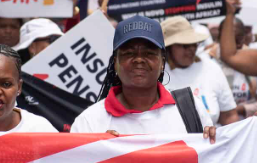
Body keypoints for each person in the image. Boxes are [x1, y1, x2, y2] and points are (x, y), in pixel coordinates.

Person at [71, 15, 216, 141]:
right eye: (128, 53)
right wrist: (98, 152)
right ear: (115, 63)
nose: (139, 60)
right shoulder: (89, 123)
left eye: (149, 53)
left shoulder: (190, 109)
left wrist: (213, 142)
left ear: (162, 63)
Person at [161, 17, 238, 126]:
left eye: (194, 44)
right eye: (185, 45)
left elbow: (229, 115)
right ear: (168, 48)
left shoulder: (211, 68)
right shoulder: (157, 74)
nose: (191, 49)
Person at [205, 17, 257, 120]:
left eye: (239, 39)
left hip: (247, 127)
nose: (236, 44)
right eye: (230, 40)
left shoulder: (255, 61)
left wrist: (240, 109)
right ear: (219, 37)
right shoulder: (206, 61)